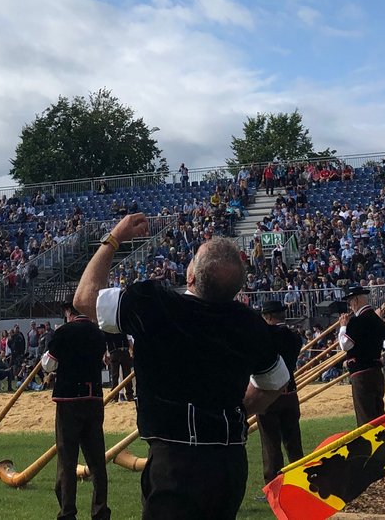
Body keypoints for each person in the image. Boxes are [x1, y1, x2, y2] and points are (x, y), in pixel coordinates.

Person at [74, 213, 289, 520]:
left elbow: (85, 299)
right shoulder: (250, 324)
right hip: (229, 461)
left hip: (174, 460)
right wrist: (243, 409)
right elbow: (276, 382)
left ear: (191, 278)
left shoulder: (156, 304)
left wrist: (114, 238)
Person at [42, 301, 110, 520]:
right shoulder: (98, 333)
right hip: (93, 399)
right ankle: (100, 511)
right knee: (97, 461)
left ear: (68, 312)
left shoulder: (63, 332)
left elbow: (49, 365)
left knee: (67, 460)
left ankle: (67, 512)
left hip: (69, 399)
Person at [256, 300, 304, 486]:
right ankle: (299, 480)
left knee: (271, 444)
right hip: (290, 392)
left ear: (268, 316)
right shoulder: (295, 337)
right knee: (294, 441)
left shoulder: (264, 336)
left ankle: (274, 485)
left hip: (268, 395)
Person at [336, 286, 385, 427]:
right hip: (376, 371)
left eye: (350, 302)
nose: (350, 306)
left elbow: (345, 345)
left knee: (365, 417)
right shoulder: (378, 321)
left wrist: (343, 327)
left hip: (361, 373)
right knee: (378, 413)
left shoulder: (357, 321)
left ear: (356, 300)